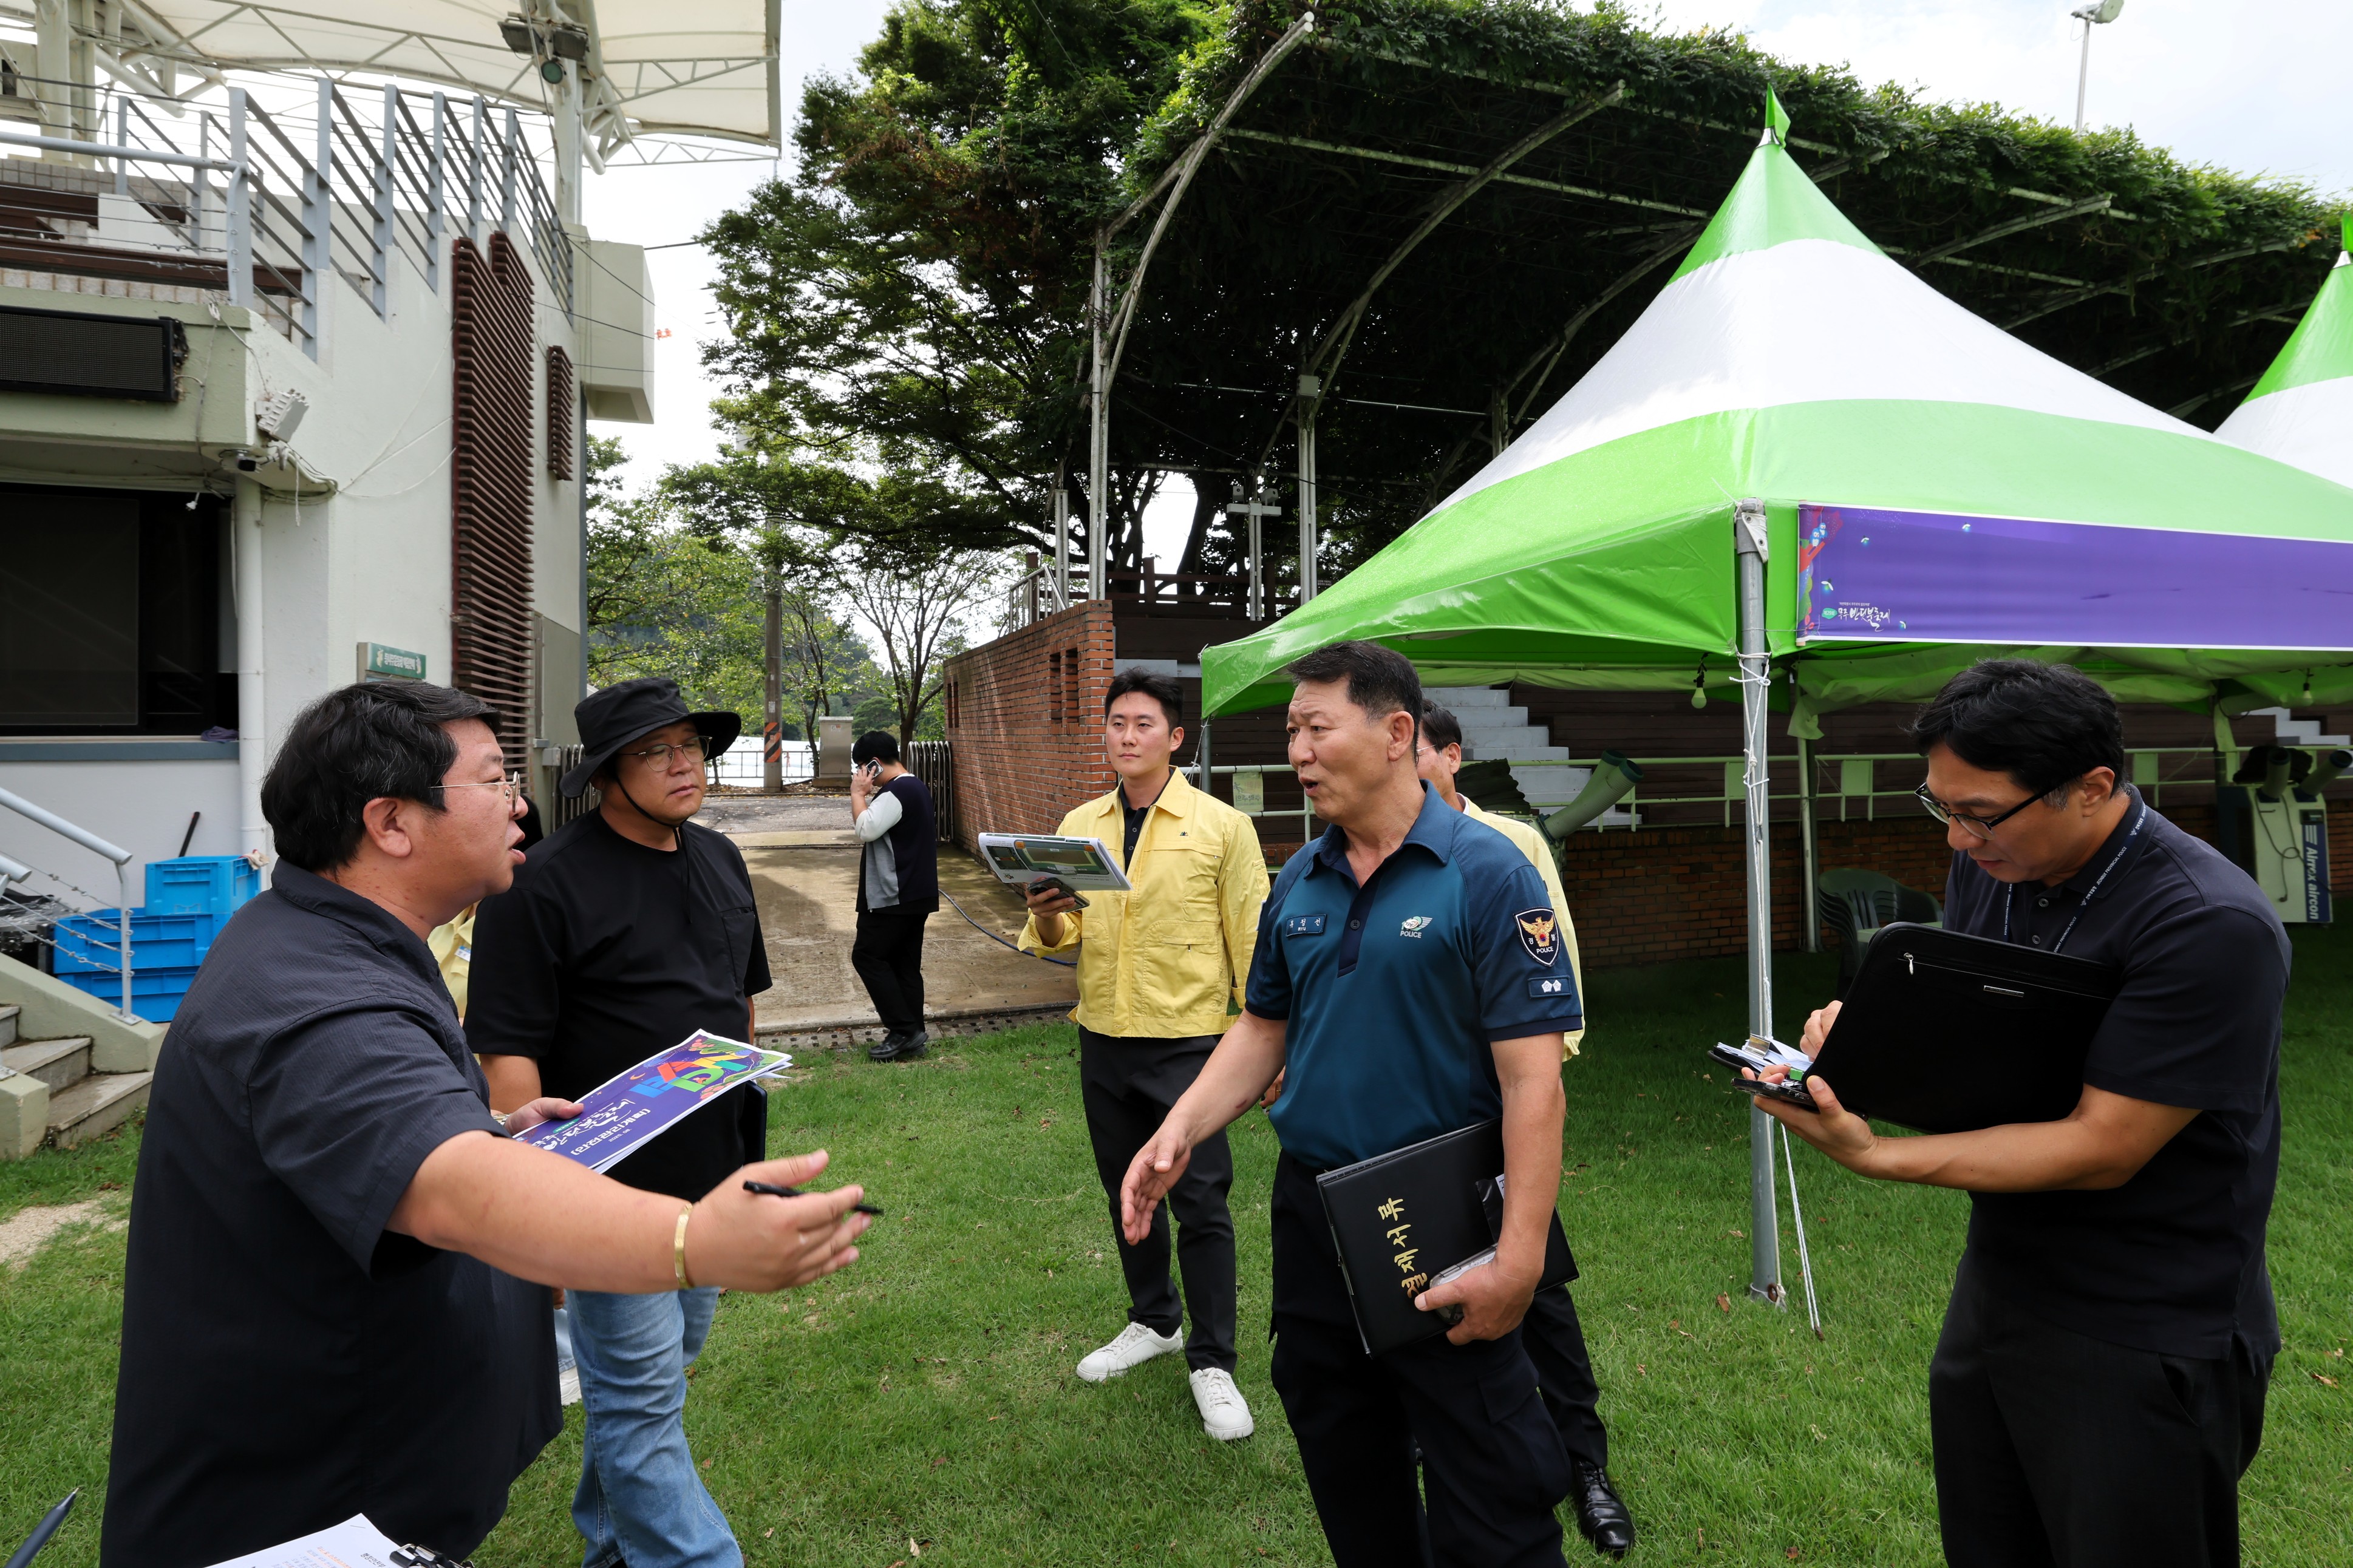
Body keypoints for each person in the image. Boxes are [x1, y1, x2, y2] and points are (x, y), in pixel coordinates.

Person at [101, 681, 867, 1568]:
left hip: (370, 1504)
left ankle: (616, 1538)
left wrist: (498, 1123)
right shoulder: (313, 996)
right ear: (392, 821)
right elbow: (452, 1184)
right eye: (496, 779)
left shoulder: (350, 943)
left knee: (645, 1394)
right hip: (307, 1524)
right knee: (639, 1399)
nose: (520, 802)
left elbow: (409, 1125)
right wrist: (693, 1236)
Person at [1749, 659, 2287, 1568]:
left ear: (2092, 787)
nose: (1957, 841)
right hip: (2002, 1284)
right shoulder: (1999, 867)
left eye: (1978, 813)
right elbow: (1988, 1041)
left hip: (2144, 1320)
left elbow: (2103, 1145)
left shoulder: (2203, 923)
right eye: (1940, 807)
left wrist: (1875, 1155)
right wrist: (1868, 1041)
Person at [1120, 641, 1585, 1567]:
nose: (1294, 748)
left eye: (1314, 726)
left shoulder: (1487, 874)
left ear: (1395, 734)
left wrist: (1520, 1256)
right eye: (1289, 729)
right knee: (1341, 1449)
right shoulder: (1299, 879)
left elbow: (1533, 1079)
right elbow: (1262, 1029)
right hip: (1312, 1211)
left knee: (1489, 1484)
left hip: (1440, 1211)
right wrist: (1177, 1129)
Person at [468, 676, 783, 1568]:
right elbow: (508, 1054)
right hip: (603, 1194)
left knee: (657, 1374)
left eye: (690, 745)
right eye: (656, 750)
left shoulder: (720, 856)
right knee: (640, 1400)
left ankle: (611, 1542)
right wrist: (535, 1214)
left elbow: (737, 1003)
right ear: (608, 774)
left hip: (713, 1178)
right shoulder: (538, 887)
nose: (684, 763)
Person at [1017, 667, 1269, 1440]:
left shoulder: (1221, 827)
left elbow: (1255, 944)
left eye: (1142, 724)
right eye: (1116, 723)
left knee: (1198, 1203)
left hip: (1190, 1047)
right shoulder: (1079, 823)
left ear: (1175, 737)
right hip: (1104, 1040)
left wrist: (1269, 1046)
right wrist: (1045, 911)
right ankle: (1153, 1321)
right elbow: (1064, 940)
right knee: (1125, 1194)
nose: (1126, 737)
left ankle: (1213, 1360)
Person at [1415, 702, 1632, 1557]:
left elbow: (1557, 970)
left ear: (1446, 756)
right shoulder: (1373, 854)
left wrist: (1532, 1084)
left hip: (1496, 1115)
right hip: (1408, 1122)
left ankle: (1586, 1465)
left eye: (1419, 758)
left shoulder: (1511, 845)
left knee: (1535, 1290)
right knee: (1410, 1285)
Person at [848, 729, 939, 1062]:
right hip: (915, 894)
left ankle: (903, 1029)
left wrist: (859, 794)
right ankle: (912, 1032)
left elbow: (865, 830)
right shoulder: (915, 787)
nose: (860, 775)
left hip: (893, 896)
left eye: (862, 767)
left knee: (867, 957)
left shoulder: (896, 791)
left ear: (873, 764)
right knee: (904, 964)